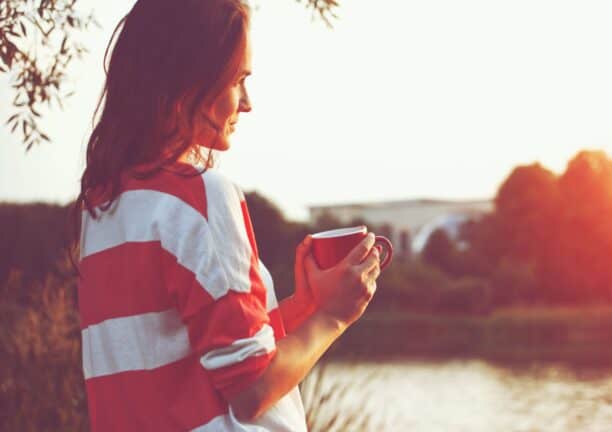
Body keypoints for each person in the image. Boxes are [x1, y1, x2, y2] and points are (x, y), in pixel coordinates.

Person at [72, 0, 382, 430]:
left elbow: (204, 357)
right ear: (186, 84)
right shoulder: (201, 199)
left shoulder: (103, 207)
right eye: (239, 80)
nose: (248, 103)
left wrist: (309, 306)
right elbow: (251, 390)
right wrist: (334, 317)